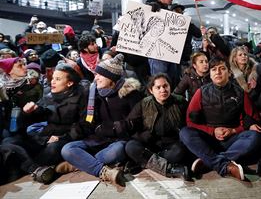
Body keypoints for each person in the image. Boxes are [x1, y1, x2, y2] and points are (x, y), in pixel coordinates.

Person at [61, 54, 143, 186]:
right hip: (97, 139)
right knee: (67, 149)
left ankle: (81, 163)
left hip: (119, 140)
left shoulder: (131, 93)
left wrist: (111, 129)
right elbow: (90, 121)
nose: (96, 78)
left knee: (116, 152)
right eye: (96, 74)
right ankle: (100, 169)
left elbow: (135, 122)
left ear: (111, 77)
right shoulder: (94, 93)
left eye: (100, 74)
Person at [179, 57, 261, 181]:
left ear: (229, 72)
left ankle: (209, 161)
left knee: (254, 135)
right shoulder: (201, 92)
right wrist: (212, 131)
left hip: (232, 140)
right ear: (210, 74)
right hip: (209, 140)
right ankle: (224, 166)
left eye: (222, 69)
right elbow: (190, 122)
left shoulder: (240, 92)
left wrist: (234, 131)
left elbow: (254, 117)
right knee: (184, 133)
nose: (218, 72)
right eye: (214, 69)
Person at [3, 63, 87, 184]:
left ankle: (29, 166)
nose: (52, 81)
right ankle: (36, 168)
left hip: (65, 138)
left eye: (58, 79)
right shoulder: (49, 96)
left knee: (51, 149)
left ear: (69, 83)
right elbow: (39, 116)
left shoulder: (82, 97)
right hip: (45, 137)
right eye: (53, 78)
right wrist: (28, 112)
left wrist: (61, 137)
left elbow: (84, 126)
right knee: (9, 141)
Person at [124, 73, 191, 180]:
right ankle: (170, 169)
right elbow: (130, 124)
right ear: (151, 90)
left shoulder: (180, 101)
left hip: (172, 145)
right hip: (150, 144)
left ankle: (146, 163)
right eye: (158, 87)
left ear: (170, 86)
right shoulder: (144, 104)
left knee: (180, 151)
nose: (163, 90)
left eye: (165, 86)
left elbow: (190, 124)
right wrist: (141, 136)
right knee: (131, 147)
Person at [145, 0, 181, 88]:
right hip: (157, 54)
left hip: (169, 52)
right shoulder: (151, 7)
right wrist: (150, 6)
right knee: (160, 81)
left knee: (171, 81)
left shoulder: (167, 11)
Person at [0, 57, 42, 139]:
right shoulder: (2, 86)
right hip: (9, 125)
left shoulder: (32, 82)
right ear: (10, 71)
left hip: (30, 124)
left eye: (24, 64)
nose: (25, 67)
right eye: (20, 66)